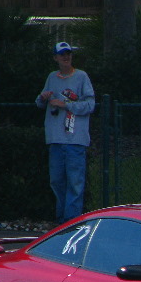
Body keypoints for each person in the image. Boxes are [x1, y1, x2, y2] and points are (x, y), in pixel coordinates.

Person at [35, 41, 96, 224]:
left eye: (68, 53)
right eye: (62, 54)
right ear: (56, 58)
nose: (66, 57)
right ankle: (61, 220)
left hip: (75, 140)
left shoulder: (81, 77)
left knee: (75, 183)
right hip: (55, 139)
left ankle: (71, 221)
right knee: (57, 181)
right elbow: (39, 103)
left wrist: (66, 105)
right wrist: (43, 98)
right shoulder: (52, 77)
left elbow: (90, 104)